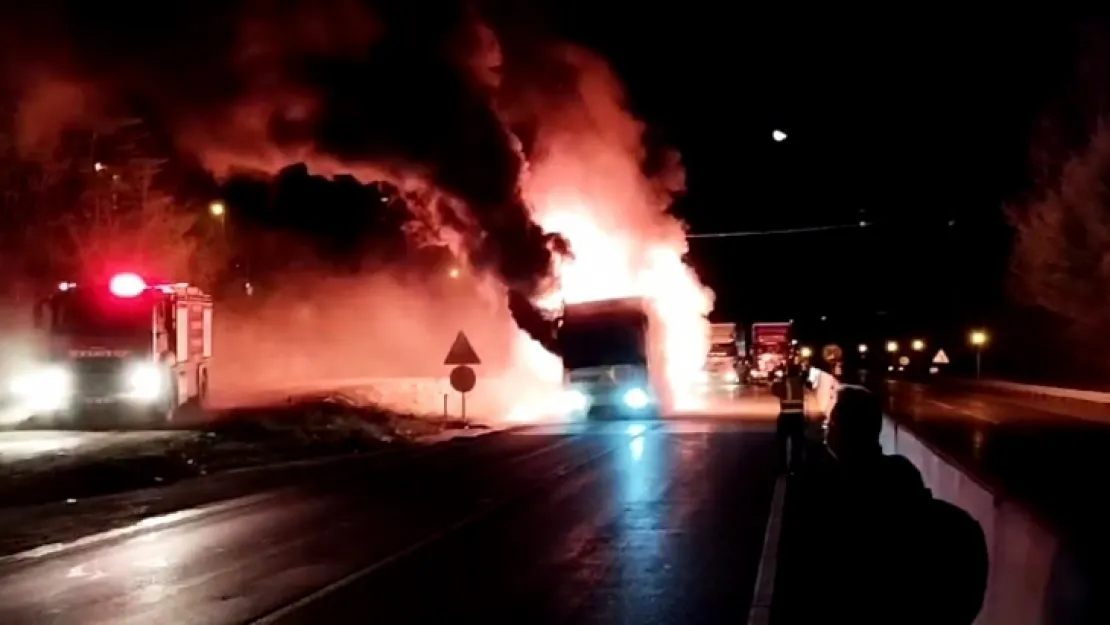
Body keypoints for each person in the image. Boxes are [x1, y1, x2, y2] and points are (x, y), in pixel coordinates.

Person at [800, 385, 988, 624]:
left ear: (842, 434)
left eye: (832, 425)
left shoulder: (831, 508)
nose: (827, 432)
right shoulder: (943, 518)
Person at [774, 360, 807, 474]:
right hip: (798, 417)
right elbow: (809, 382)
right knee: (798, 443)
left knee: (781, 444)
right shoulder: (800, 381)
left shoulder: (784, 382)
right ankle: (796, 467)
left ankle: (782, 467)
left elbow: (775, 390)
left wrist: (777, 378)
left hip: (785, 417)